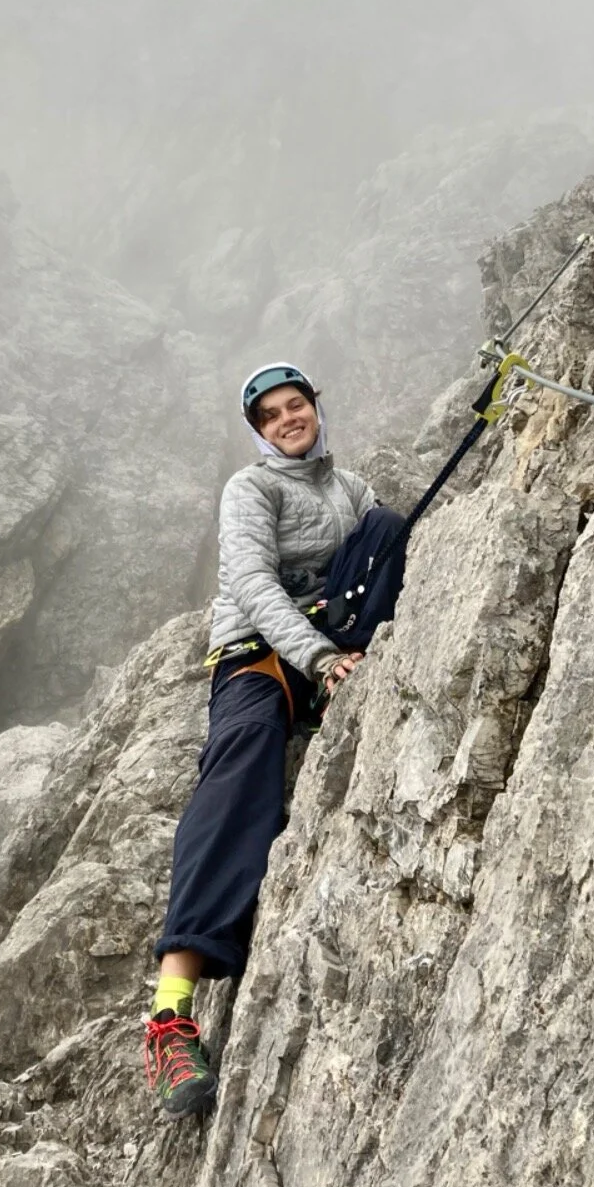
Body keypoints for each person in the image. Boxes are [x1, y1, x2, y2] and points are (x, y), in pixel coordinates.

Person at [143, 362, 407, 1119]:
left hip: (330, 636)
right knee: (242, 763)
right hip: (259, 654)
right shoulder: (251, 491)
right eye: (273, 415)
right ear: (260, 432)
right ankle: (169, 1016)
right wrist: (320, 657)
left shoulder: (349, 488)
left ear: (315, 410)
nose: (289, 418)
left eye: (298, 406)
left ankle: (327, 688)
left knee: (388, 527)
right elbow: (254, 586)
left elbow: (382, 554)